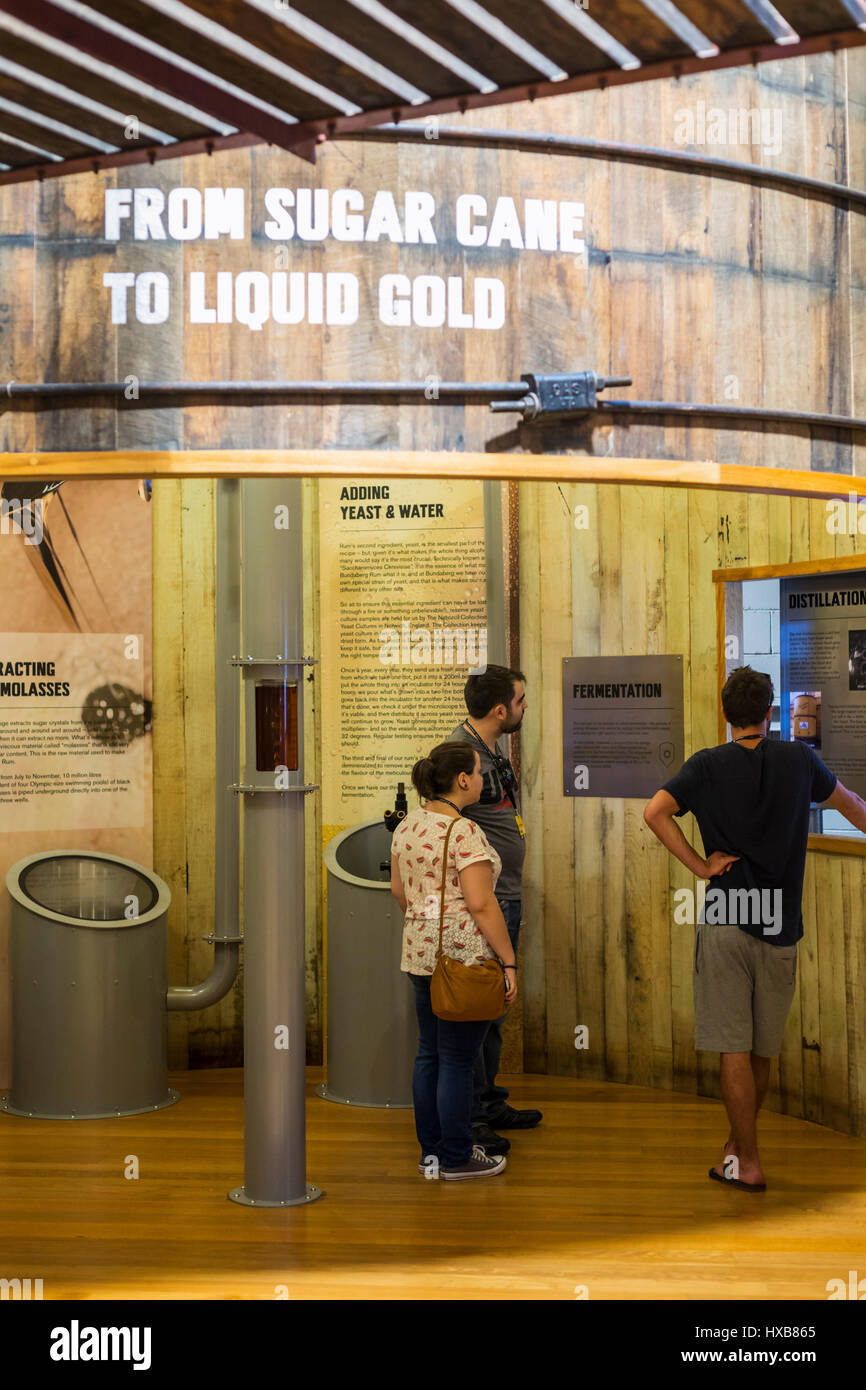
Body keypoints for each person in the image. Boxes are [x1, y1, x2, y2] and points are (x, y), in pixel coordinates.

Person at [643, 665, 866, 1191]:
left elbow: (655, 813)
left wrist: (701, 867)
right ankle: (740, 1149)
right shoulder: (799, 760)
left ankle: (745, 1157)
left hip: (727, 918)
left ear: (726, 714)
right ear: (769, 713)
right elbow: (854, 808)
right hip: (781, 924)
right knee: (761, 1050)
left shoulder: (706, 766)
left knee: (734, 1049)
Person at [391, 741, 518, 1180]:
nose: (482, 780)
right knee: (459, 1060)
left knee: (429, 1055)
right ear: (463, 780)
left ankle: (432, 1154)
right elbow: (482, 904)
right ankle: (459, 1156)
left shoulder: (408, 825)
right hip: (463, 959)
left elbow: (399, 892)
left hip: (419, 955)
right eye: (479, 772)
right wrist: (509, 961)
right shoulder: (462, 831)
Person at [449, 665, 542, 1155]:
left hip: (507, 893)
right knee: (480, 1011)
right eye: (521, 701)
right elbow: (449, 825)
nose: (526, 708)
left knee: (495, 1011)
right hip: (490, 901)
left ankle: (489, 1101)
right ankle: (472, 1117)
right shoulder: (462, 755)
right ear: (500, 709)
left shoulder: (490, 747)